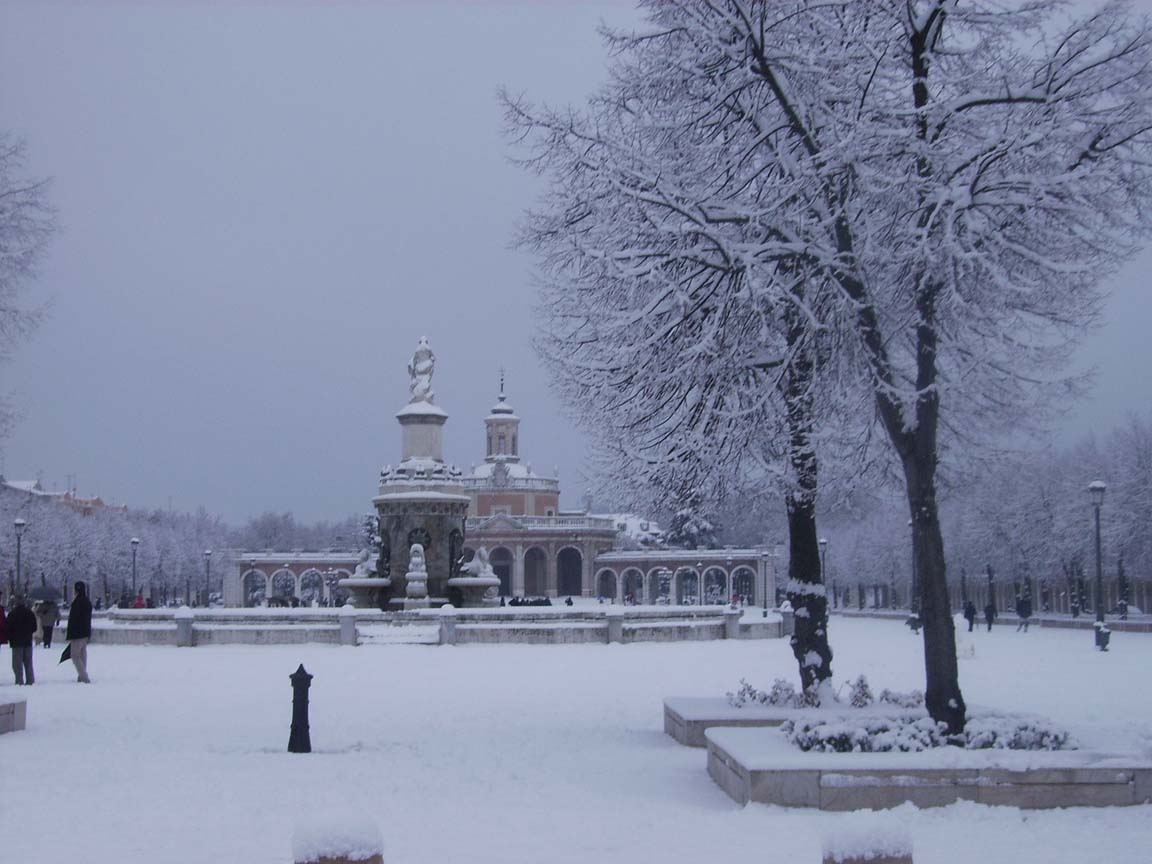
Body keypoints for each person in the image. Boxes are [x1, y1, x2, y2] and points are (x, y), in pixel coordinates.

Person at [66, 580, 93, 683]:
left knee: (75, 655)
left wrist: (71, 634)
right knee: (82, 654)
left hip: (77, 633)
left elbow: (74, 619)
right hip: (85, 632)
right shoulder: (87, 602)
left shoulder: (77, 603)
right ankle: (81, 676)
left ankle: (83, 676)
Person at [7, 595, 37, 685]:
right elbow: (34, 627)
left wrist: (10, 637)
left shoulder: (12, 614)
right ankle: (30, 680)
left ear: (16, 603)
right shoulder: (30, 613)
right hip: (27, 641)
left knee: (17, 664)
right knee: (28, 662)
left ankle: (19, 681)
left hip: (16, 642)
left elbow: (8, 628)